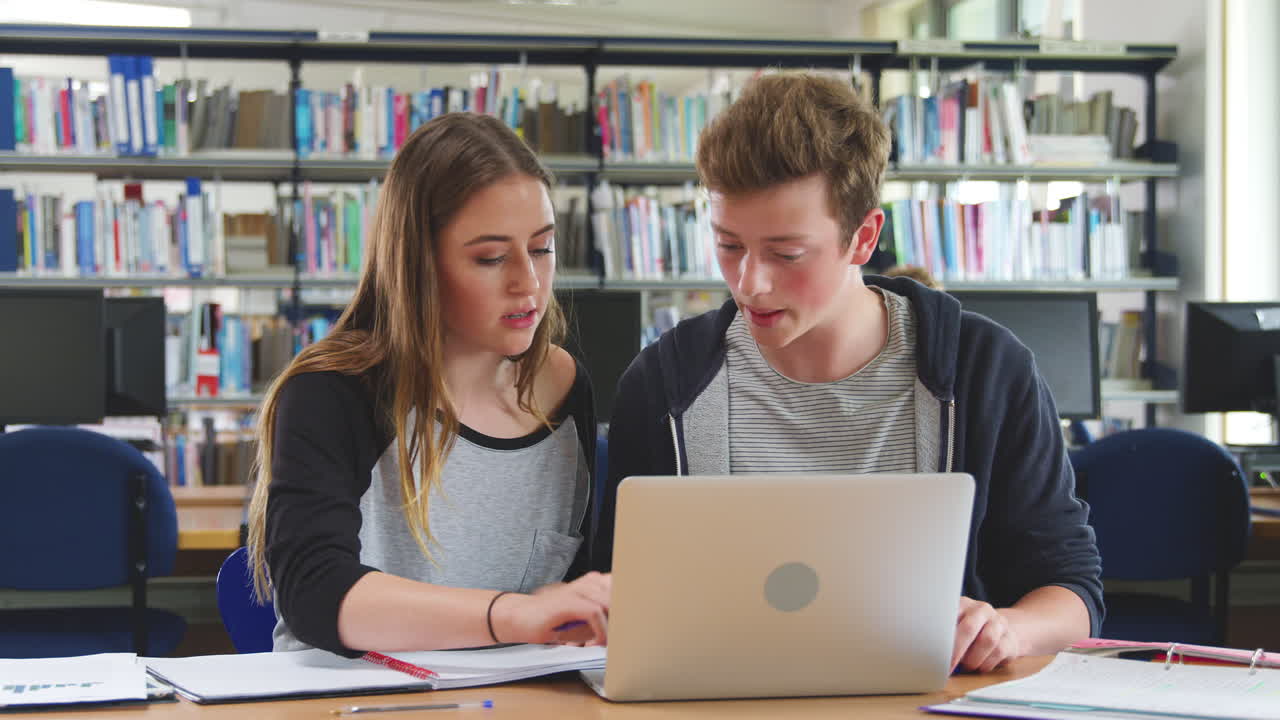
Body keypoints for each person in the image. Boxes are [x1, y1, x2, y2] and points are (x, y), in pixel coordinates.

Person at [597, 74, 1102, 674]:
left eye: (787, 254)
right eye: (729, 245)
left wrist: (1006, 628)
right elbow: (613, 599)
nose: (750, 283)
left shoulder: (988, 371)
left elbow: (1073, 594)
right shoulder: (663, 385)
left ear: (863, 238)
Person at [245, 113, 610, 656]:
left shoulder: (561, 385)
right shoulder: (333, 391)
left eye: (542, 248)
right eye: (490, 257)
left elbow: (571, 596)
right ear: (419, 264)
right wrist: (515, 616)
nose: (528, 283)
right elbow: (314, 591)